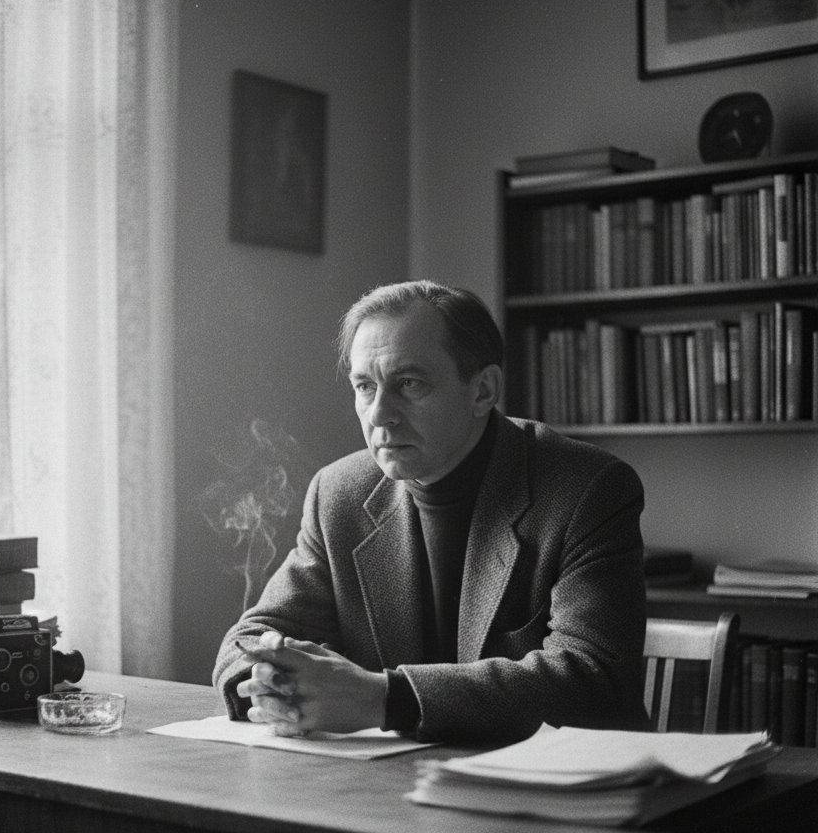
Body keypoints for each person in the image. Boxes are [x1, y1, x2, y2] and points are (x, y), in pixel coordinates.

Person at [212, 280, 648, 744]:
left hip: (565, 794)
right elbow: (254, 636)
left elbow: (591, 679)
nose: (380, 415)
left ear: (483, 391)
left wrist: (383, 698)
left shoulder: (587, 488)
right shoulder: (339, 493)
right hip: (389, 792)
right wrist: (278, 684)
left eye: (409, 384)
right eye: (365, 386)